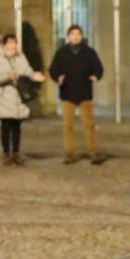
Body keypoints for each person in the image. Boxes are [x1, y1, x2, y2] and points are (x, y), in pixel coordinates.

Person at [48, 23, 105, 165]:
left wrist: (96, 75)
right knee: (68, 125)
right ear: (68, 36)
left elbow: (98, 67)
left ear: (81, 36)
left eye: (78, 34)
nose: (75, 37)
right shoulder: (61, 53)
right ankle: (69, 153)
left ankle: (93, 152)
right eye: (73, 34)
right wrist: (58, 77)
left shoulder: (89, 52)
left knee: (89, 125)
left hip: (85, 92)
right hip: (67, 93)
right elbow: (53, 69)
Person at [0, 31, 43, 165]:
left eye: (14, 42)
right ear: (4, 44)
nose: (12, 45)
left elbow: (26, 70)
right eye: (10, 43)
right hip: (4, 97)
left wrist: (34, 75)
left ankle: (16, 153)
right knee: (6, 126)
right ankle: (6, 153)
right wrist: (8, 75)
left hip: (17, 97)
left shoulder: (20, 57)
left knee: (17, 127)